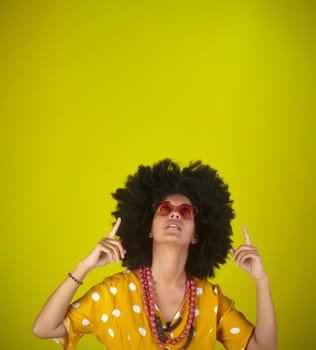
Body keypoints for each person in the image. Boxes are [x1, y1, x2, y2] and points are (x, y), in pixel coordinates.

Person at [32, 159, 277, 350]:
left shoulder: (211, 300)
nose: (175, 214)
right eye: (164, 208)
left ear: (196, 234)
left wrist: (261, 281)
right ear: (148, 228)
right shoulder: (113, 293)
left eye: (186, 211)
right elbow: (44, 328)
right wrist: (83, 267)